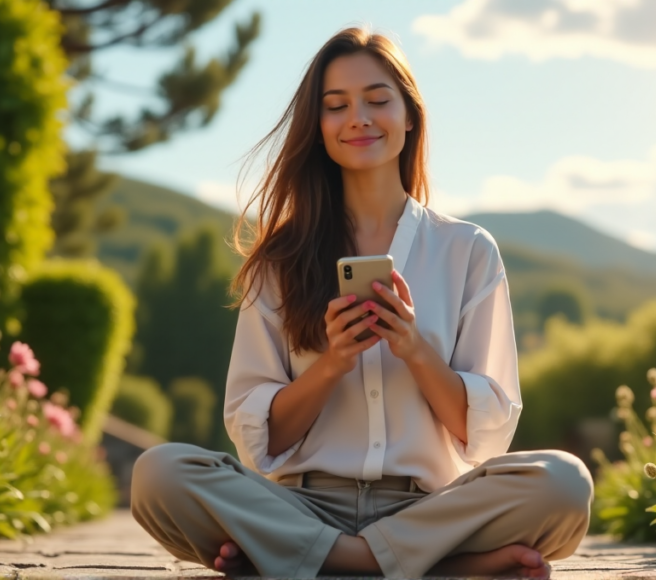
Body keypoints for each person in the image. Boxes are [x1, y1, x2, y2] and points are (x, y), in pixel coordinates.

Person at [130, 26, 593, 579]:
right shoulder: (283, 256)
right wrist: (333, 363)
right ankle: (438, 570)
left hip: (429, 508)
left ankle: (306, 564)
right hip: (302, 506)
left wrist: (414, 349)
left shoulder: (468, 251)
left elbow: (485, 435)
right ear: (318, 125)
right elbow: (260, 440)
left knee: (565, 483)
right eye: (337, 105)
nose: (359, 118)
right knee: (160, 474)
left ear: (410, 115)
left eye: (378, 100)